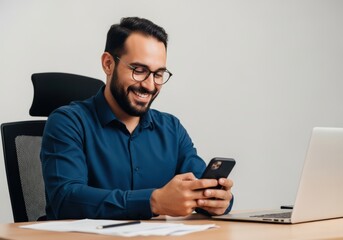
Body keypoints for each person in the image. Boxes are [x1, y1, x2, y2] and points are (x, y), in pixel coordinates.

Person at [41, 17, 234, 220]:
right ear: (108, 64)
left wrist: (217, 199)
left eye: (158, 74)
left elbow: (200, 186)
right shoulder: (67, 123)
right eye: (139, 70)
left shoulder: (172, 129)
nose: (150, 85)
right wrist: (153, 201)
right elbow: (66, 199)